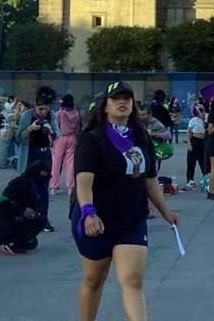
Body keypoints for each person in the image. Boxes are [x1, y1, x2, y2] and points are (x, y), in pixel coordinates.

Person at [72, 81, 180, 321]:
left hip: (131, 218)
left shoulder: (141, 138)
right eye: (116, 99)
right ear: (105, 106)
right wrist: (88, 212)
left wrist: (166, 212)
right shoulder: (93, 139)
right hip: (97, 219)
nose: (122, 102)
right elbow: (84, 182)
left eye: (127, 99)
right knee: (93, 279)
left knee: (132, 280)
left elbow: (150, 181)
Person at [15, 87, 59, 229]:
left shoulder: (52, 115)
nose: (43, 112)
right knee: (28, 187)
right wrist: (30, 129)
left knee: (43, 188)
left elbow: (57, 134)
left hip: (44, 153)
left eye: (45, 108)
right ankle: (27, 217)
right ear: (35, 106)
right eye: (40, 109)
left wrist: (49, 130)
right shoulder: (27, 116)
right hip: (30, 153)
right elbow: (18, 137)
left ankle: (43, 219)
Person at [0, 160, 50, 255]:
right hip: (4, 217)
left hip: (18, 215)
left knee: (32, 242)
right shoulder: (20, 183)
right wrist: (21, 212)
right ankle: (8, 241)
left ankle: (5, 239)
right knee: (29, 224)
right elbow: (2, 204)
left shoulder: (35, 185)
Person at [50, 94, 80, 195]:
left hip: (60, 138)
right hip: (72, 138)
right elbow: (77, 128)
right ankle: (70, 187)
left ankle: (54, 186)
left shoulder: (60, 113)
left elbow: (55, 126)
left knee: (56, 163)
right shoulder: (76, 113)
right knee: (70, 163)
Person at [184, 106, 207, 189]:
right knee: (191, 161)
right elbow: (189, 132)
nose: (203, 113)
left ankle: (206, 178)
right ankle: (190, 180)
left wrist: (204, 120)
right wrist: (189, 143)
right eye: (201, 111)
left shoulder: (206, 119)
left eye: (204, 111)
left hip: (203, 142)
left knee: (203, 161)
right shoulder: (193, 120)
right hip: (194, 141)